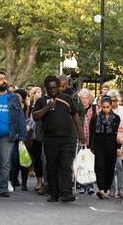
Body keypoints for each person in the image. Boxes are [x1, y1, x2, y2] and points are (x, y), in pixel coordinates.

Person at [33, 75, 85, 203]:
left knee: (65, 165)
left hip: (67, 138)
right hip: (50, 139)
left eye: (55, 88)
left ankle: (66, 193)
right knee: (51, 166)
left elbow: (75, 115)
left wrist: (81, 133)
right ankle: (54, 193)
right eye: (50, 88)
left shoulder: (66, 98)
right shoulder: (41, 100)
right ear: (46, 88)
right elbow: (35, 116)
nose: (53, 90)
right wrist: (47, 107)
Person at [0, 71, 27, 198]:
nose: (3, 81)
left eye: (5, 78)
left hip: (8, 135)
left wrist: (22, 136)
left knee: (5, 163)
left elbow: (20, 117)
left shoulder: (13, 97)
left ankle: (2, 188)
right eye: (0, 79)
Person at [89, 96, 121, 199]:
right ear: (100, 106)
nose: (105, 109)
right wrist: (91, 146)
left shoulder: (116, 118)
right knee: (99, 166)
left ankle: (106, 189)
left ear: (111, 106)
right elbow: (92, 132)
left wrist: (118, 147)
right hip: (99, 142)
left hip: (112, 143)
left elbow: (118, 134)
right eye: (103, 107)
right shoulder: (95, 117)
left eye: (107, 107)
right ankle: (101, 189)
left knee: (110, 167)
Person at [107, 89, 123, 198]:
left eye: (115, 100)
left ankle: (121, 189)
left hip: (122, 142)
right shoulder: (106, 110)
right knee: (111, 166)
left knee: (121, 166)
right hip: (109, 142)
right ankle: (112, 189)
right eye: (111, 100)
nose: (114, 103)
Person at [77, 88, 98, 195]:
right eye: (82, 98)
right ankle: (81, 186)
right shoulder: (76, 109)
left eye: (86, 98)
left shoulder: (95, 109)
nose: (84, 100)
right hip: (79, 140)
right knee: (81, 163)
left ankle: (90, 186)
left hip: (91, 140)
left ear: (90, 99)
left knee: (90, 164)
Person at [10, 88, 30, 191]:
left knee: (24, 160)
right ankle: (13, 181)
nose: (16, 98)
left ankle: (24, 183)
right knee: (14, 160)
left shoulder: (27, 108)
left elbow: (29, 121)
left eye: (18, 96)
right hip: (14, 137)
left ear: (22, 98)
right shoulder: (11, 107)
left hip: (25, 137)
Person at [28, 86, 46, 194]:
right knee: (38, 159)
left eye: (40, 92)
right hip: (35, 135)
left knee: (47, 160)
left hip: (46, 135)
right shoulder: (30, 106)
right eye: (36, 92)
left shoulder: (46, 103)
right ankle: (39, 181)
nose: (38, 94)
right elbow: (30, 121)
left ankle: (47, 182)